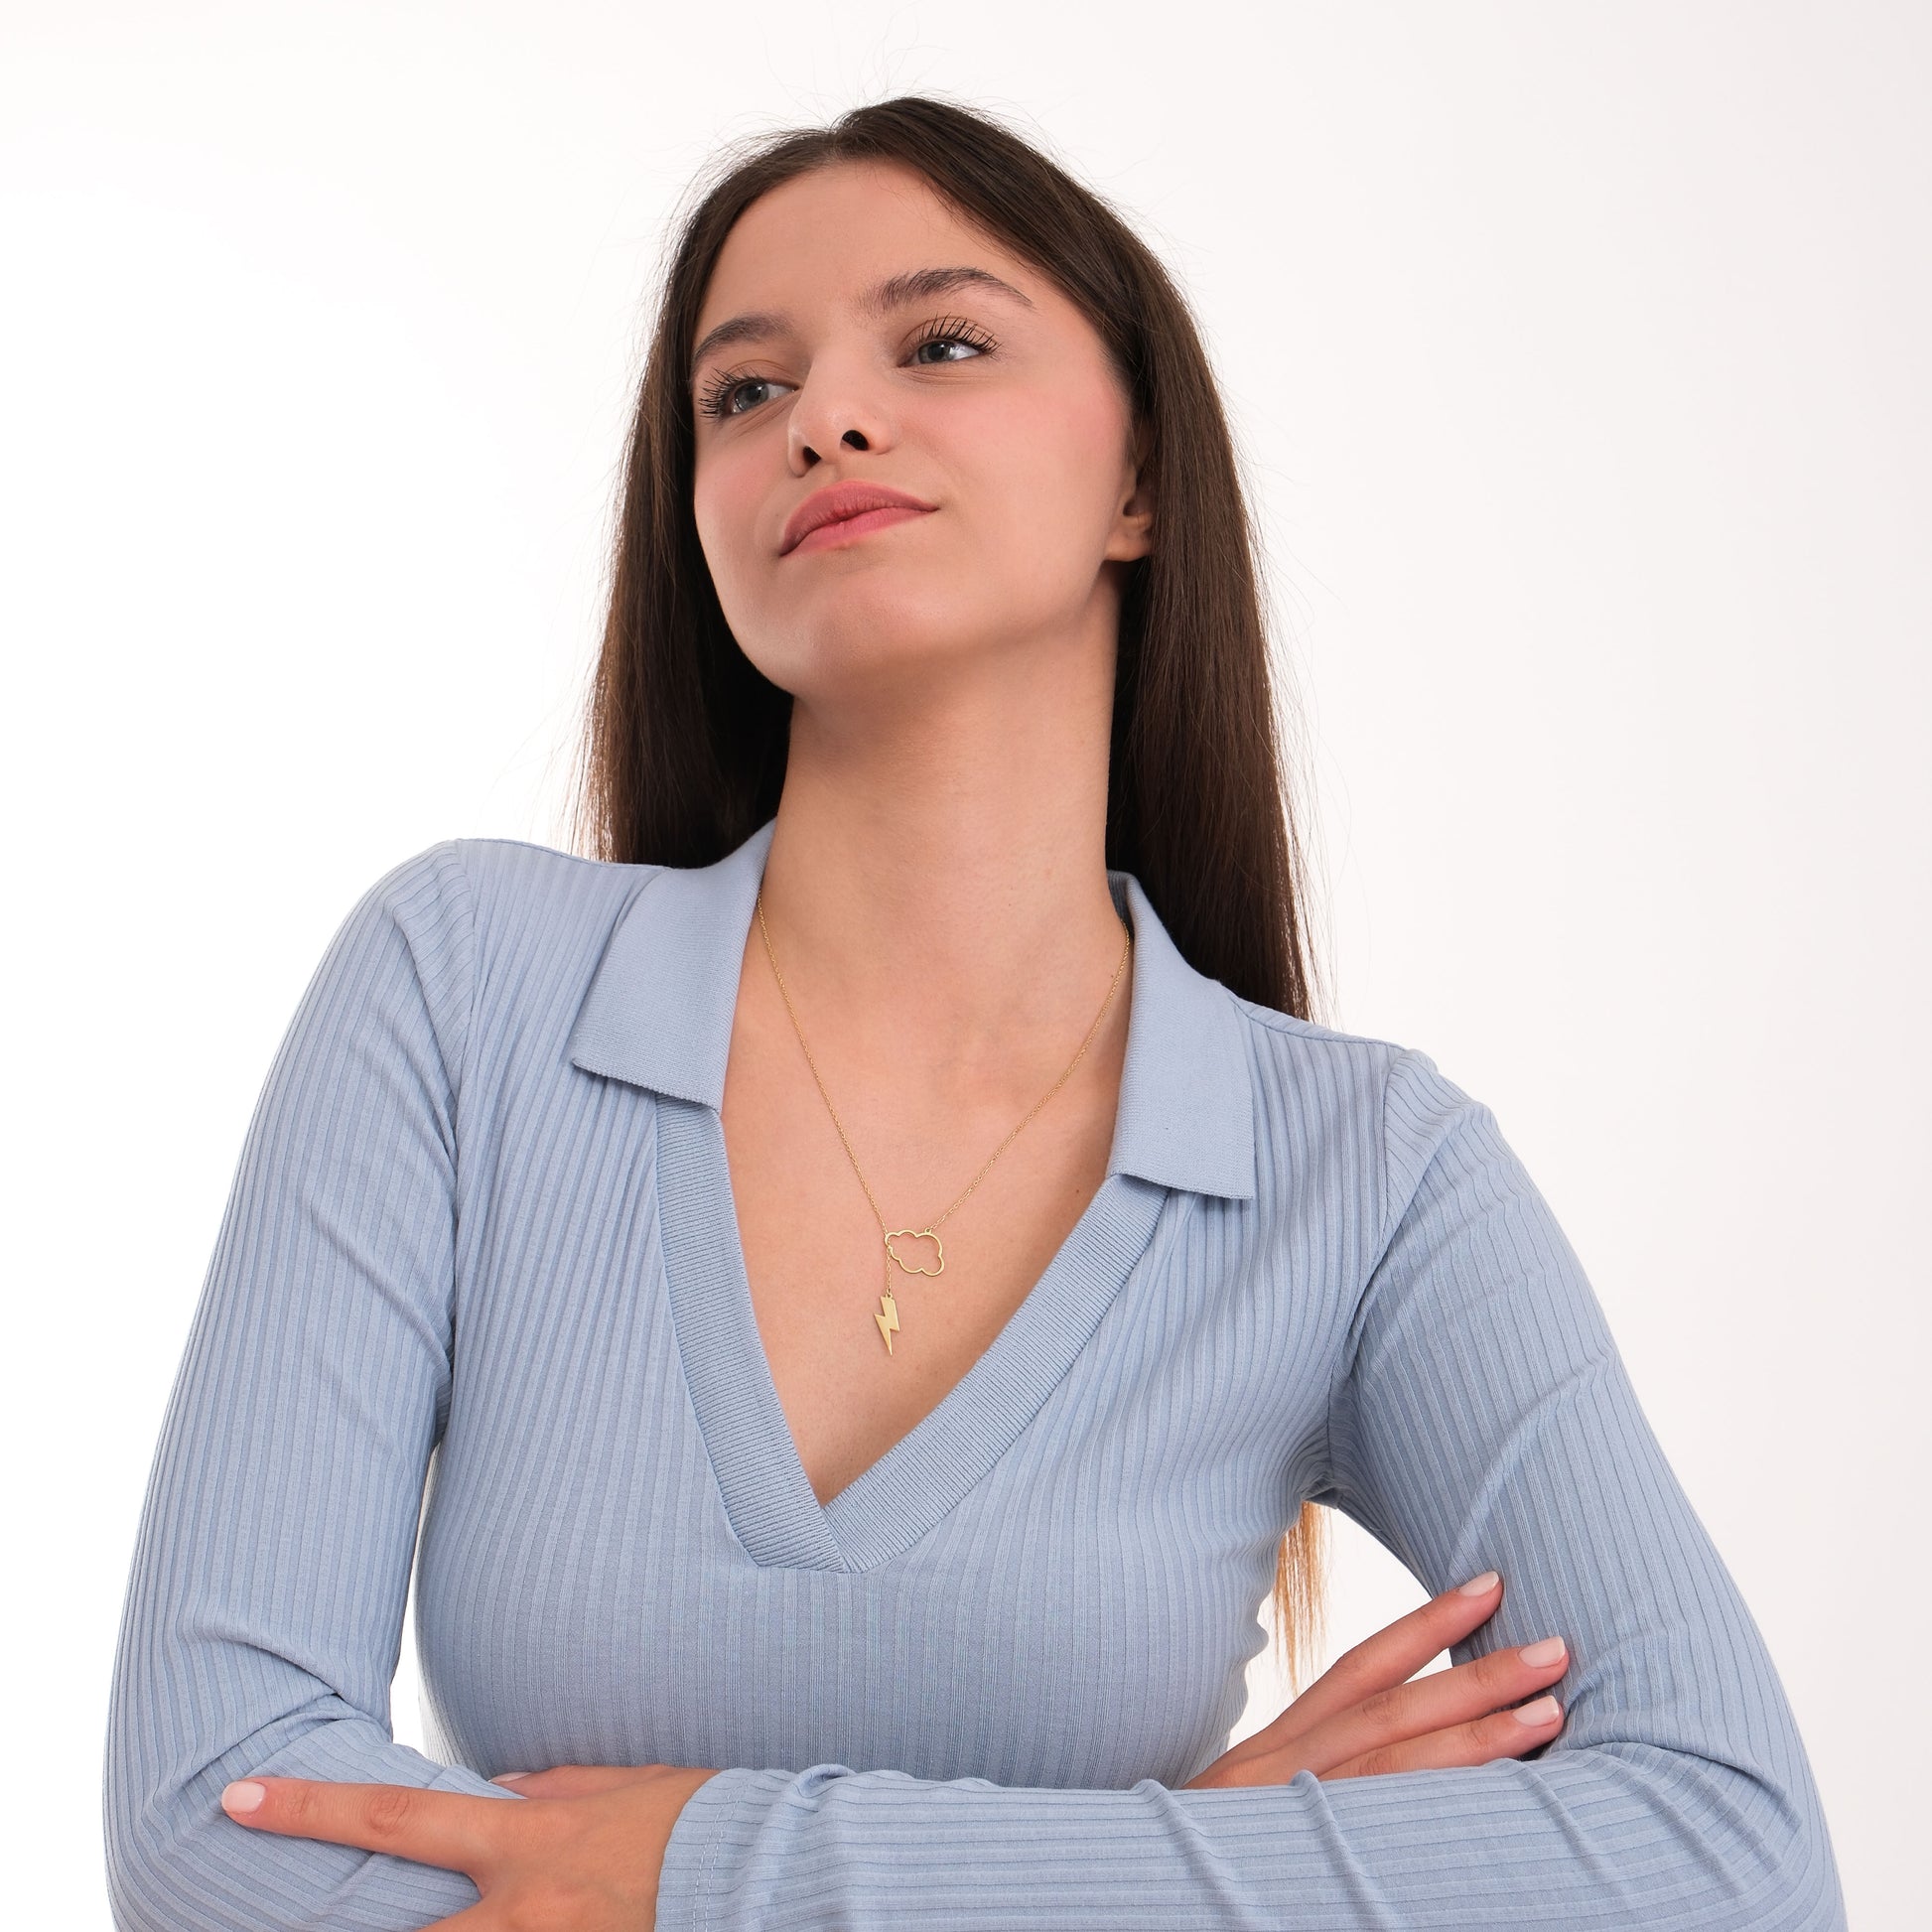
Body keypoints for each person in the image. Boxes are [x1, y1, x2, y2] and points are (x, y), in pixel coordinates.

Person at [101, 94, 1846, 1931]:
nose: (826, 420)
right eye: (740, 392)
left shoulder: (1368, 1178)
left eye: (938, 343)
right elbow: (209, 1821)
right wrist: (1179, 1847)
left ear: (1139, 480)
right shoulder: (461, 990)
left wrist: (704, 1866)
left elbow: (1730, 1853)